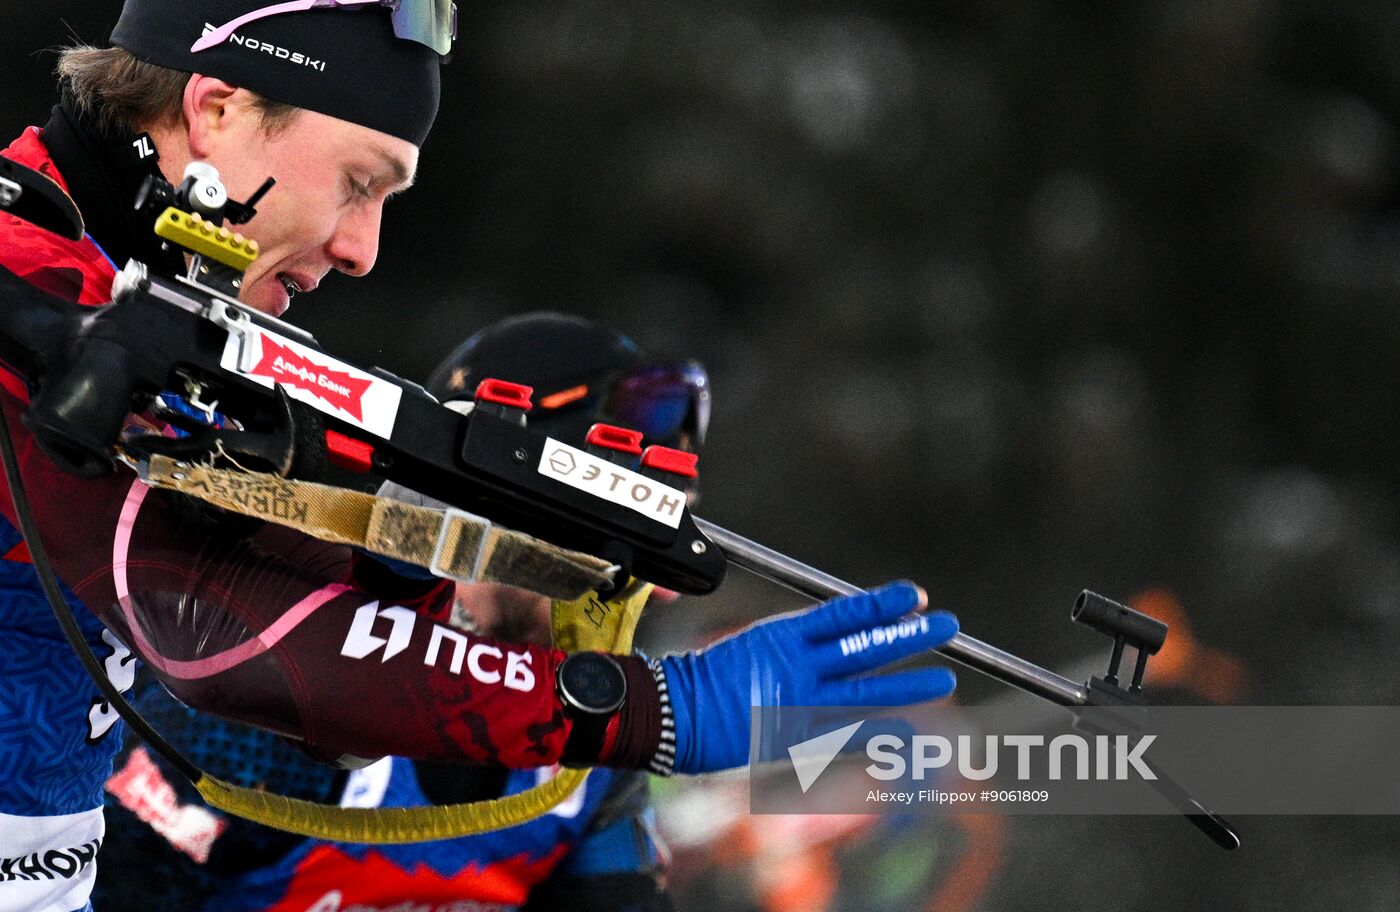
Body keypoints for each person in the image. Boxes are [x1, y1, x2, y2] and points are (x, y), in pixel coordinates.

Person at [0, 4, 960, 911]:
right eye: (359, 182)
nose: (364, 248)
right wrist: (644, 711)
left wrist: (400, 551)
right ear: (218, 107)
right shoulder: (36, 276)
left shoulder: (119, 304)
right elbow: (211, 623)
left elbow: (272, 585)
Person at [96, 313, 696, 912]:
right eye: (614, 551)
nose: (651, 594)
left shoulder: (594, 750)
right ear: (491, 510)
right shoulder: (287, 687)